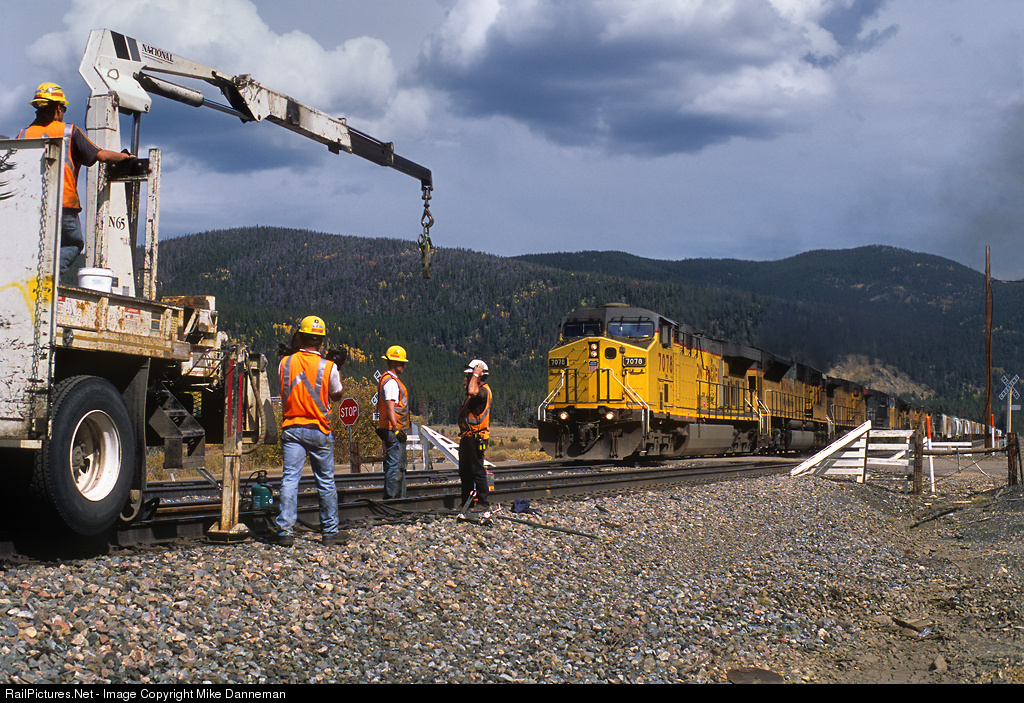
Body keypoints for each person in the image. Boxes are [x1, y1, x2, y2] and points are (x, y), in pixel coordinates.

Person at [19, 83, 135, 273]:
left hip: (31, 205)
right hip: (64, 203)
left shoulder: (23, 135)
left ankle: (32, 275)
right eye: (63, 108)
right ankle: (49, 275)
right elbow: (101, 155)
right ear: (58, 108)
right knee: (72, 244)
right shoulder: (69, 132)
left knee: (35, 245)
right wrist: (124, 157)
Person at [272, 315, 347, 546]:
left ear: (299, 337)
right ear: (321, 341)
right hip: (319, 429)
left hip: (292, 428)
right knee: (325, 481)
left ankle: (285, 532)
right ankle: (330, 532)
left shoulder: (285, 363)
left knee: (290, 479)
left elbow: (286, 384)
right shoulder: (328, 367)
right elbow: (337, 394)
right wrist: (337, 367)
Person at [458, 359, 493, 512]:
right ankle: (467, 502)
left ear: (480, 376)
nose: (466, 378)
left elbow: (472, 391)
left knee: (477, 470)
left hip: (476, 437)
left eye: (470, 375)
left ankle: (483, 503)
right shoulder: (474, 392)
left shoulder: (483, 391)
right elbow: (469, 390)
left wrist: (475, 374)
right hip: (468, 437)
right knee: (465, 472)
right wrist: (473, 376)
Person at [377, 345, 409, 499]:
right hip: (393, 430)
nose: (404, 366)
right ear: (394, 363)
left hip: (391, 429)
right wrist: (396, 429)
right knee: (395, 466)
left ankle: (399, 499)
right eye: (402, 363)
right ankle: (392, 500)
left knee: (398, 466)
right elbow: (391, 408)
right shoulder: (391, 382)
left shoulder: (387, 379)